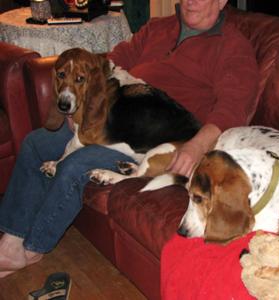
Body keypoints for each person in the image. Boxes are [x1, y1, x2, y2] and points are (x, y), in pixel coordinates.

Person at [0, 0, 259, 278]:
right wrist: (82, 98)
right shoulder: (159, 27)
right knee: (35, 143)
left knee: (77, 162)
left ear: (221, 2)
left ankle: (35, 246)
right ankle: (12, 240)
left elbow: (233, 109)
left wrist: (196, 146)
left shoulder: (232, 46)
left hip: (154, 136)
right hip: (112, 115)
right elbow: (113, 60)